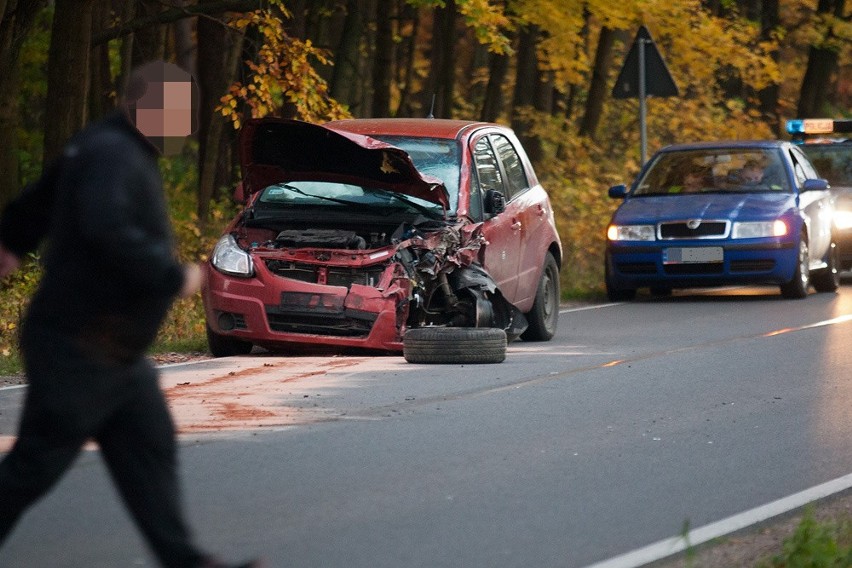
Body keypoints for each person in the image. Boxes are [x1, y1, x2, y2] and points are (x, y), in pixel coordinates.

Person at [0, 61, 261, 568]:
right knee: (35, 465)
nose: (184, 126)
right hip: (79, 345)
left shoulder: (97, 145)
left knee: (148, 450)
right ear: (143, 107)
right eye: (177, 114)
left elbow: (40, 199)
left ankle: (185, 560)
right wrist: (174, 278)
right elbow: (107, 228)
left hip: (117, 355)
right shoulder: (114, 156)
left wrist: (10, 239)